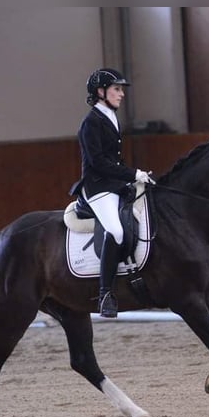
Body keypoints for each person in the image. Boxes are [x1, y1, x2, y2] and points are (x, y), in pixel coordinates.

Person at [69, 67, 155, 318]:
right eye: (117, 89)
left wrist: (132, 179)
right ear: (100, 92)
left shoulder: (110, 116)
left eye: (120, 89)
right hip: (97, 187)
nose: (122, 94)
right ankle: (105, 293)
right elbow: (98, 162)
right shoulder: (91, 122)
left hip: (113, 184)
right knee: (116, 231)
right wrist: (132, 174)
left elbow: (114, 159)